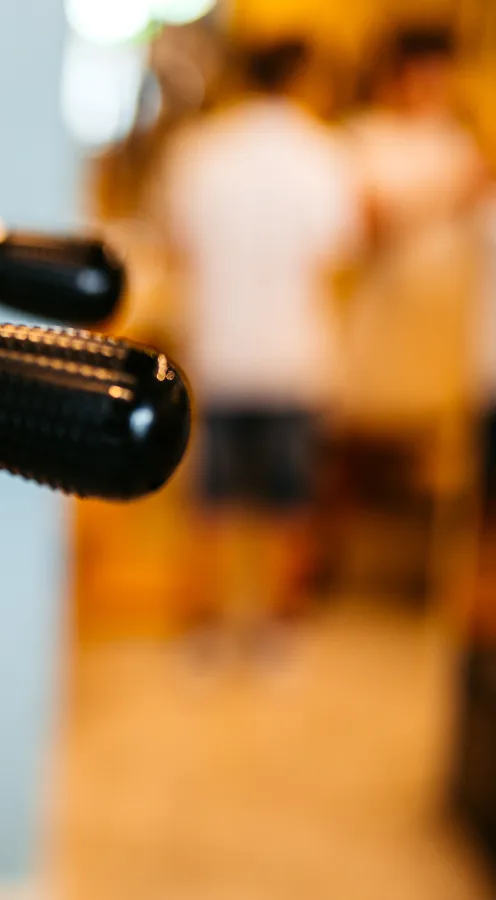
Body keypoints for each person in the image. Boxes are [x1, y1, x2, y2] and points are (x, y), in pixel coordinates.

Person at [158, 38, 363, 655]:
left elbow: (179, 243)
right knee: (289, 498)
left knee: (209, 499)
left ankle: (206, 625)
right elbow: (337, 251)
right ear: (303, 78)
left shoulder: (200, 152)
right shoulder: (323, 153)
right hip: (291, 349)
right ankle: (275, 627)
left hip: (219, 344)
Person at [337, 26, 485, 602]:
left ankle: (437, 585)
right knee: (352, 466)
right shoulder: (363, 137)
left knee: (449, 471)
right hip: (377, 335)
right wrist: (446, 196)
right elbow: (364, 225)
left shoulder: (460, 144)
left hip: (446, 337)